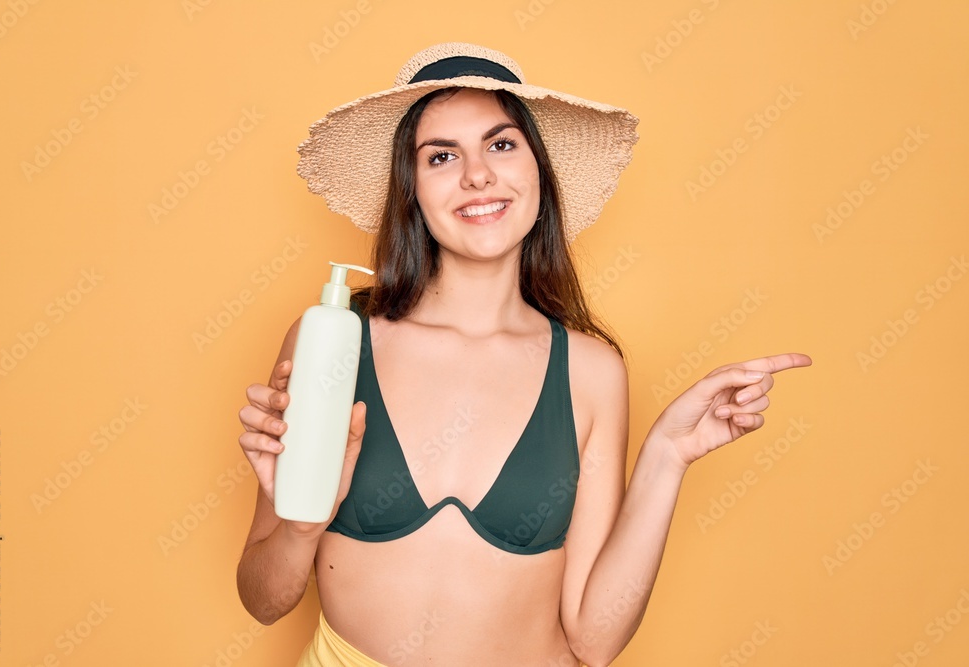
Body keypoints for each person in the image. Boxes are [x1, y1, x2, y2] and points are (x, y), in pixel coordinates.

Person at [235, 42, 811, 667]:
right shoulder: (334, 339)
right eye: (441, 156)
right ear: (412, 190)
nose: (477, 174)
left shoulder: (590, 371)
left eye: (502, 144)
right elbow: (264, 600)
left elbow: (595, 640)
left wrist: (668, 457)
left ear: (539, 171)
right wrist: (301, 524)